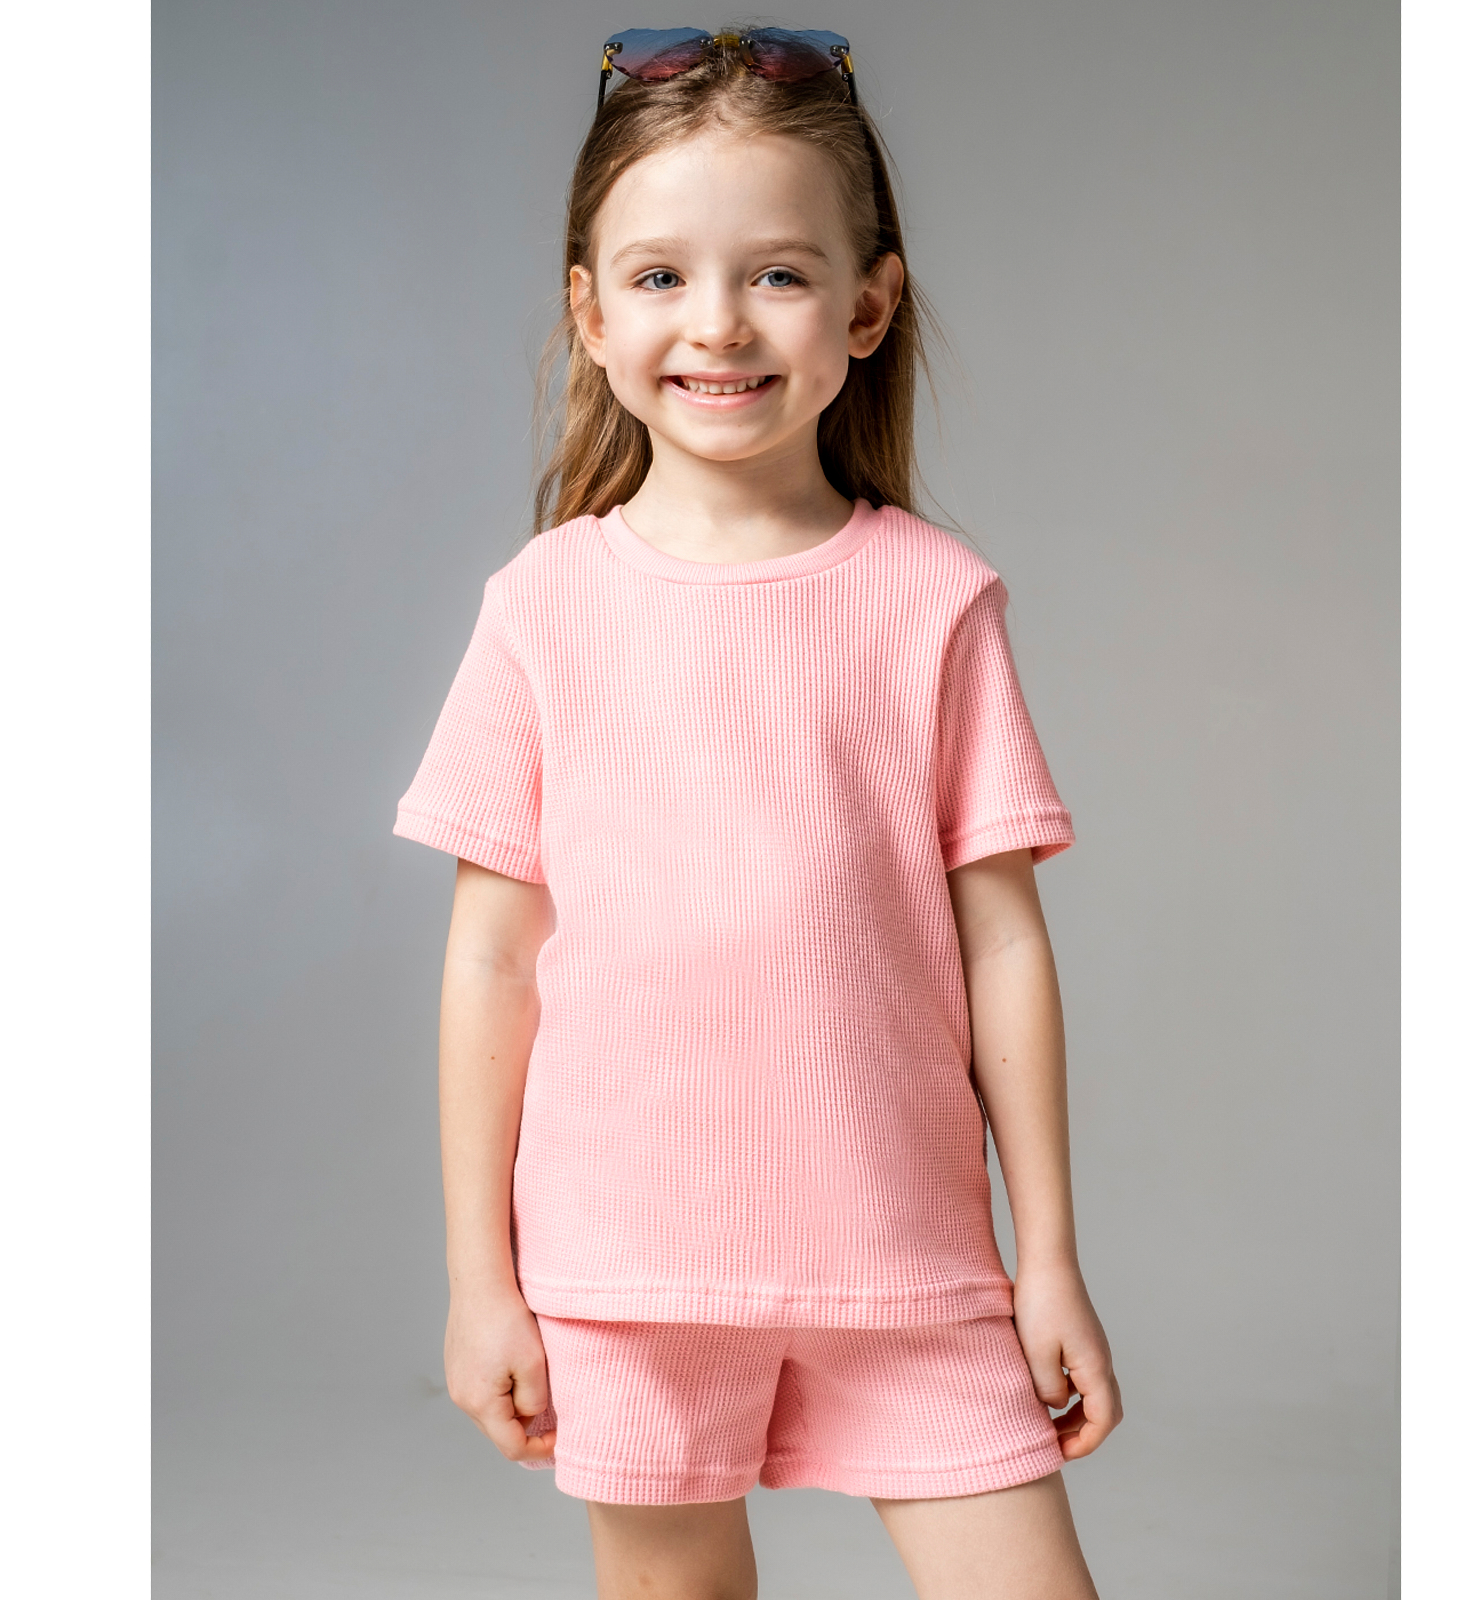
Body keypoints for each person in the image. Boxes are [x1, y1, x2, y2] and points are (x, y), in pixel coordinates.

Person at [394, 26, 1122, 1599]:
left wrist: (1050, 1257)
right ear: (590, 312)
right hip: (628, 1273)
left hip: (910, 1261)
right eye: (660, 276)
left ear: (868, 304)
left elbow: (1003, 945)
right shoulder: (543, 609)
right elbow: (491, 960)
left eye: (778, 274)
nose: (717, 322)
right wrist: (478, 1280)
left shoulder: (934, 602)